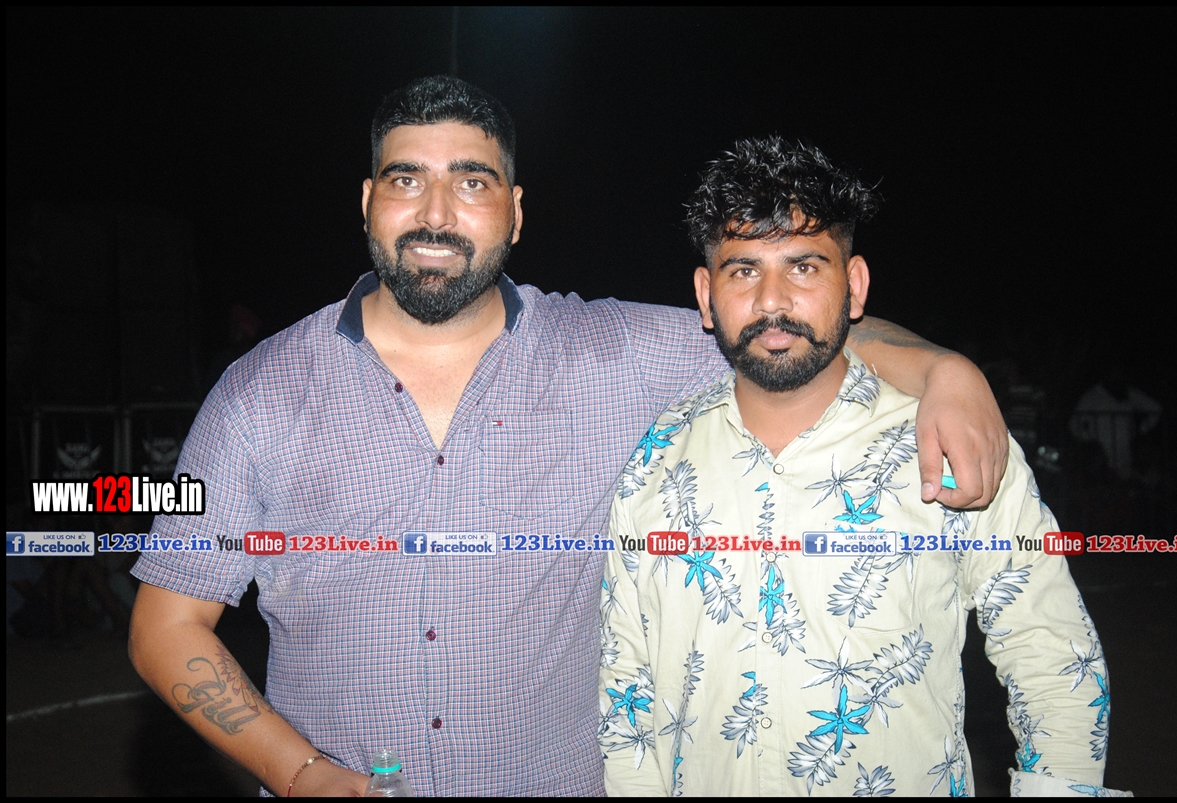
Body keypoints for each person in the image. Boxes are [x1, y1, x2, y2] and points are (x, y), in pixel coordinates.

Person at [128, 77, 1009, 797]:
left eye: (471, 182)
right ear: (368, 201)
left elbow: (783, 324)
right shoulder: (261, 394)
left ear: (515, 212)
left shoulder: (610, 355)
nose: (435, 212)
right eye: (406, 179)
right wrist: (299, 772)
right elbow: (167, 623)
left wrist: (944, 370)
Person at [600, 136, 1126, 797]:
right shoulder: (656, 459)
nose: (771, 301)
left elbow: (1053, 656)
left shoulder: (945, 443)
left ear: (853, 286)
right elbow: (628, 688)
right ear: (706, 295)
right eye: (743, 271)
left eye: (803, 267)